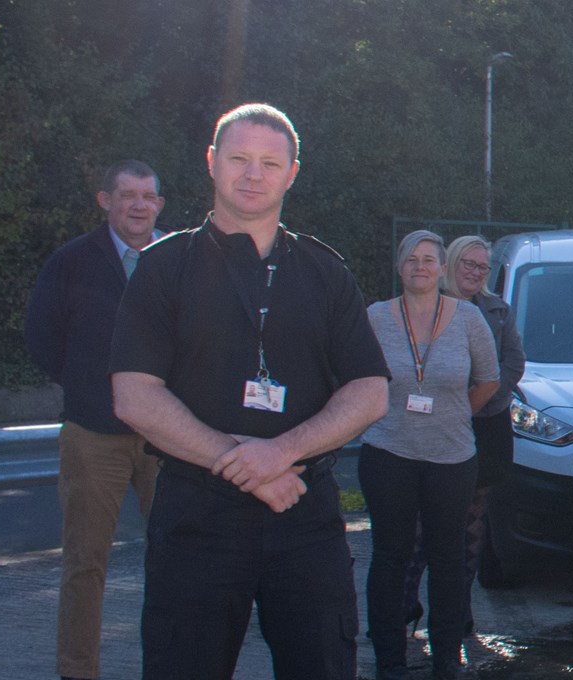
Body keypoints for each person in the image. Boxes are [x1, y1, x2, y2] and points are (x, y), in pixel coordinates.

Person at [111, 103, 391, 679]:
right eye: (238, 158)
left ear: (292, 172)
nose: (252, 173)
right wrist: (242, 461)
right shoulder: (164, 268)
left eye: (270, 162)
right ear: (213, 163)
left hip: (304, 513)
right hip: (197, 515)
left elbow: (369, 391)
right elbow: (134, 394)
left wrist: (281, 453)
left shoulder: (325, 271)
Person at [24, 159, 167, 680]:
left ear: (159, 205)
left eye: (148, 196)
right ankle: (77, 671)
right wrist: (89, 388)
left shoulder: (181, 259)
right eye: (127, 195)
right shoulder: (72, 262)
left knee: (178, 560)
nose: (138, 205)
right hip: (93, 434)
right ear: (105, 201)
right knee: (85, 563)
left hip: (169, 437)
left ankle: (175, 663)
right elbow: (41, 337)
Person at [360, 229, 500, 680]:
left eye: (428, 260)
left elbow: (489, 379)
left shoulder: (468, 320)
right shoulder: (376, 317)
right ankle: (390, 660)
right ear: (400, 268)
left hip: (452, 458)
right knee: (389, 557)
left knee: (448, 559)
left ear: (442, 269)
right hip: (388, 452)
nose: (420, 266)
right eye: (411, 259)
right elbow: (357, 380)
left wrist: (454, 416)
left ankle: (446, 659)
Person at [400, 234, 526, 649]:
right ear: (450, 264)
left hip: (485, 425)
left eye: (481, 267)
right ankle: (404, 603)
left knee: (472, 524)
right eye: (467, 264)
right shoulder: (426, 306)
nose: (474, 272)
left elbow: (512, 363)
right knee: (423, 523)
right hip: (430, 426)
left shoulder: (498, 311)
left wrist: (484, 397)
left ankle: (457, 611)